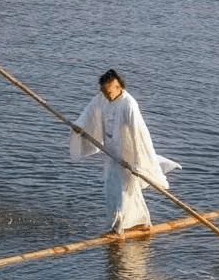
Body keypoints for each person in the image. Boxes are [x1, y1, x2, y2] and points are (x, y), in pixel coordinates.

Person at [70, 69, 180, 236]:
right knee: (111, 188)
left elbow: (140, 135)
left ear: (119, 87)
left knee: (123, 191)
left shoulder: (129, 104)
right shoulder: (102, 98)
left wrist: (138, 163)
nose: (106, 96)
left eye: (109, 92)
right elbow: (90, 111)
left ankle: (119, 227)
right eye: (104, 92)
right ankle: (140, 222)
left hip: (126, 155)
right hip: (111, 152)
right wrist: (80, 125)